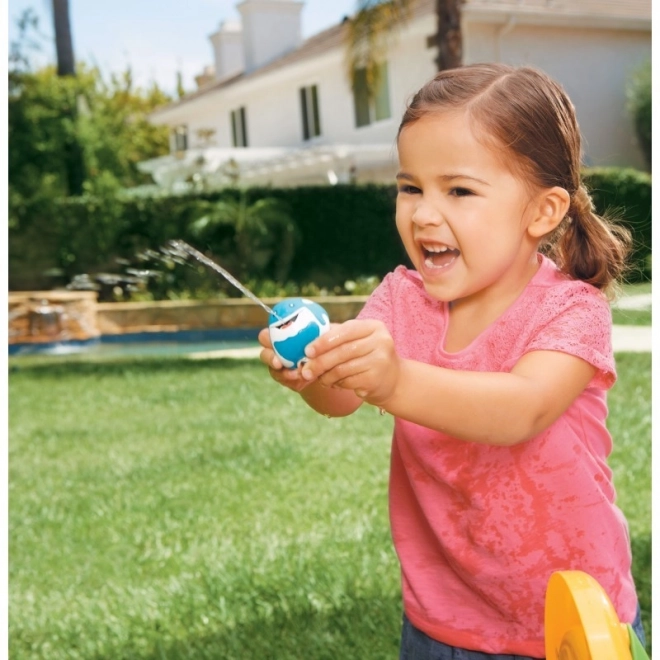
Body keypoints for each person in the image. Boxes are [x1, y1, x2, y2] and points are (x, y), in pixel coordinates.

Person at [258, 63, 644, 659]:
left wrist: (396, 379)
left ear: (541, 212)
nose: (423, 213)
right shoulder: (399, 299)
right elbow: (341, 398)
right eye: (411, 187)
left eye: (458, 190)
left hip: (571, 620)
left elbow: (522, 409)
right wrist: (312, 371)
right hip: (444, 617)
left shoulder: (570, 308)